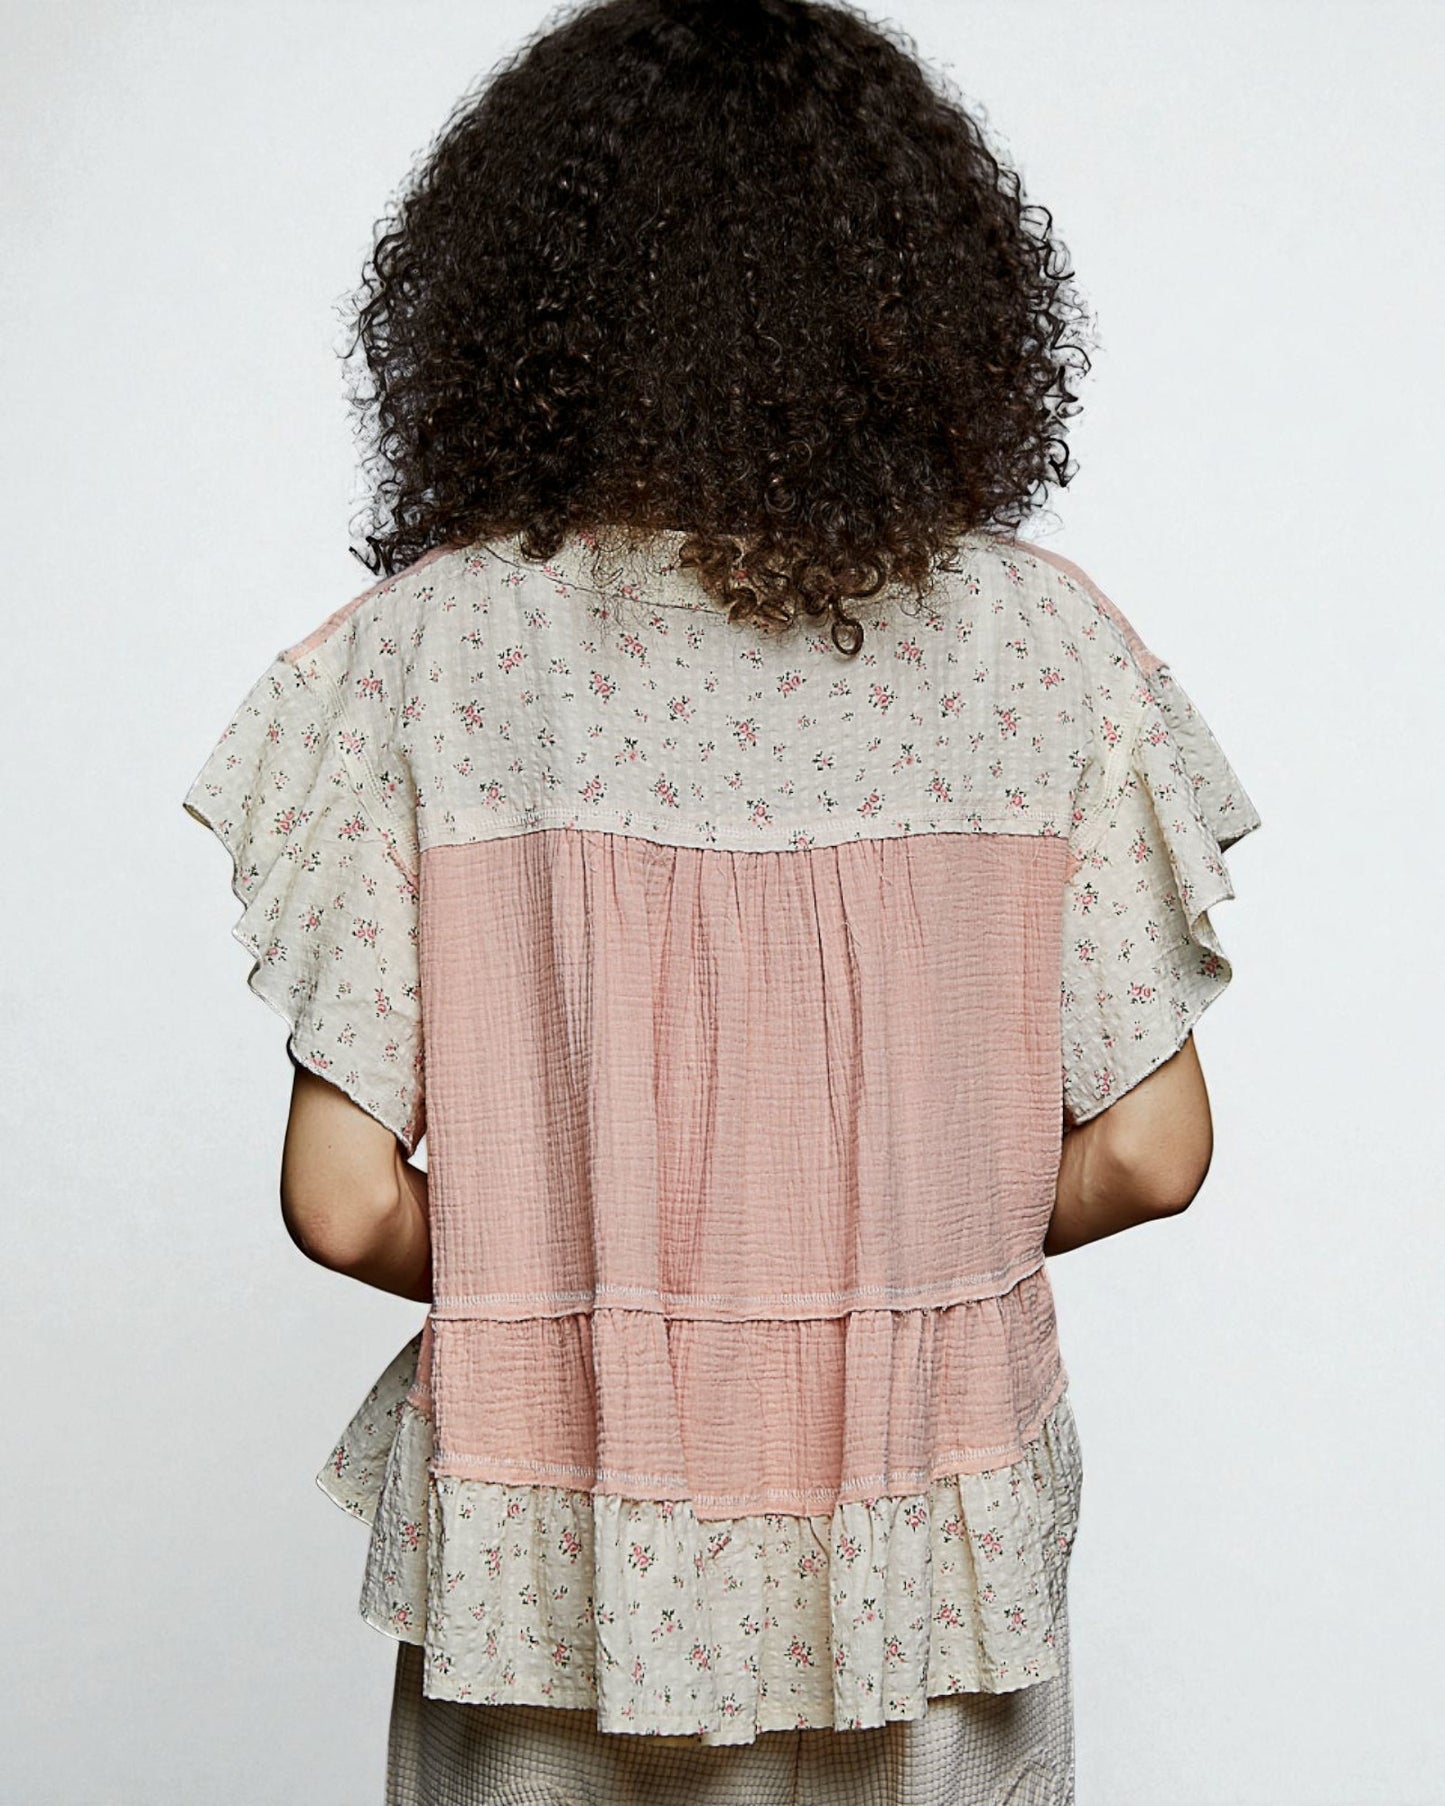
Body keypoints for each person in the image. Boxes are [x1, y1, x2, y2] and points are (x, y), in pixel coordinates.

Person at [180, 1, 1263, 1800]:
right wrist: (859, 1251)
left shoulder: (430, 659)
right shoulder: (1041, 652)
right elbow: (1148, 1151)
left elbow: (342, 1195)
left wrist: (596, 1268)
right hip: (926, 1555)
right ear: (913, 296)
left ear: (525, 301)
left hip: (558, 1562)